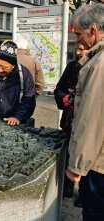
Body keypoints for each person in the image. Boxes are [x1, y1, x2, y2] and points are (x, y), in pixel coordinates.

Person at [65, 4, 104, 220]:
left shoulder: (100, 64)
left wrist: (77, 165)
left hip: (98, 164)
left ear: (94, 29)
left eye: (78, 33)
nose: (77, 39)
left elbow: (92, 119)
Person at [54, 43, 87, 207]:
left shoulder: (95, 65)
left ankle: (84, 195)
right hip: (69, 120)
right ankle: (67, 189)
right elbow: (58, 89)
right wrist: (64, 98)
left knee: (85, 157)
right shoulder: (72, 66)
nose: (79, 51)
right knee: (68, 154)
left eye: (82, 48)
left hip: (87, 123)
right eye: (78, 48)